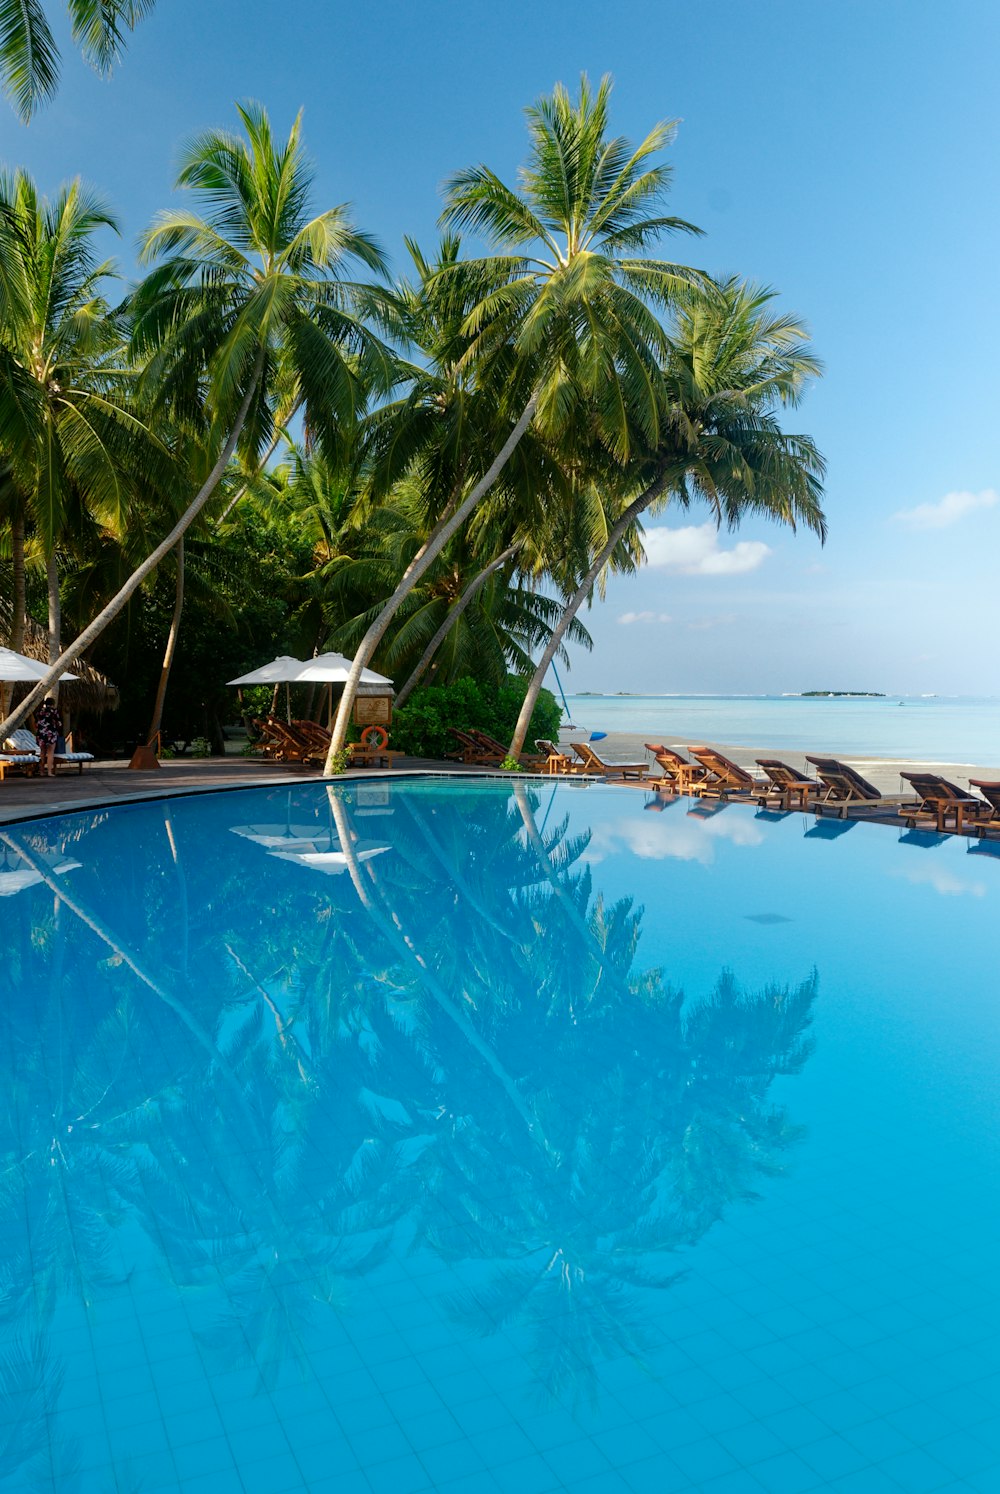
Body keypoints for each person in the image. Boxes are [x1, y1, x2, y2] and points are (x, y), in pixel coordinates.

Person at [34, 697, 62, 778]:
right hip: (51, 734)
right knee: (50, 753)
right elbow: (59, 723)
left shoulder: (40, 712)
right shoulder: (54, 711)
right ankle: (49, 772)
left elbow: (36, 724)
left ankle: (42, 771)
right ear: (53, 704)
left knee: (42, 752)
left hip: (41, 734)